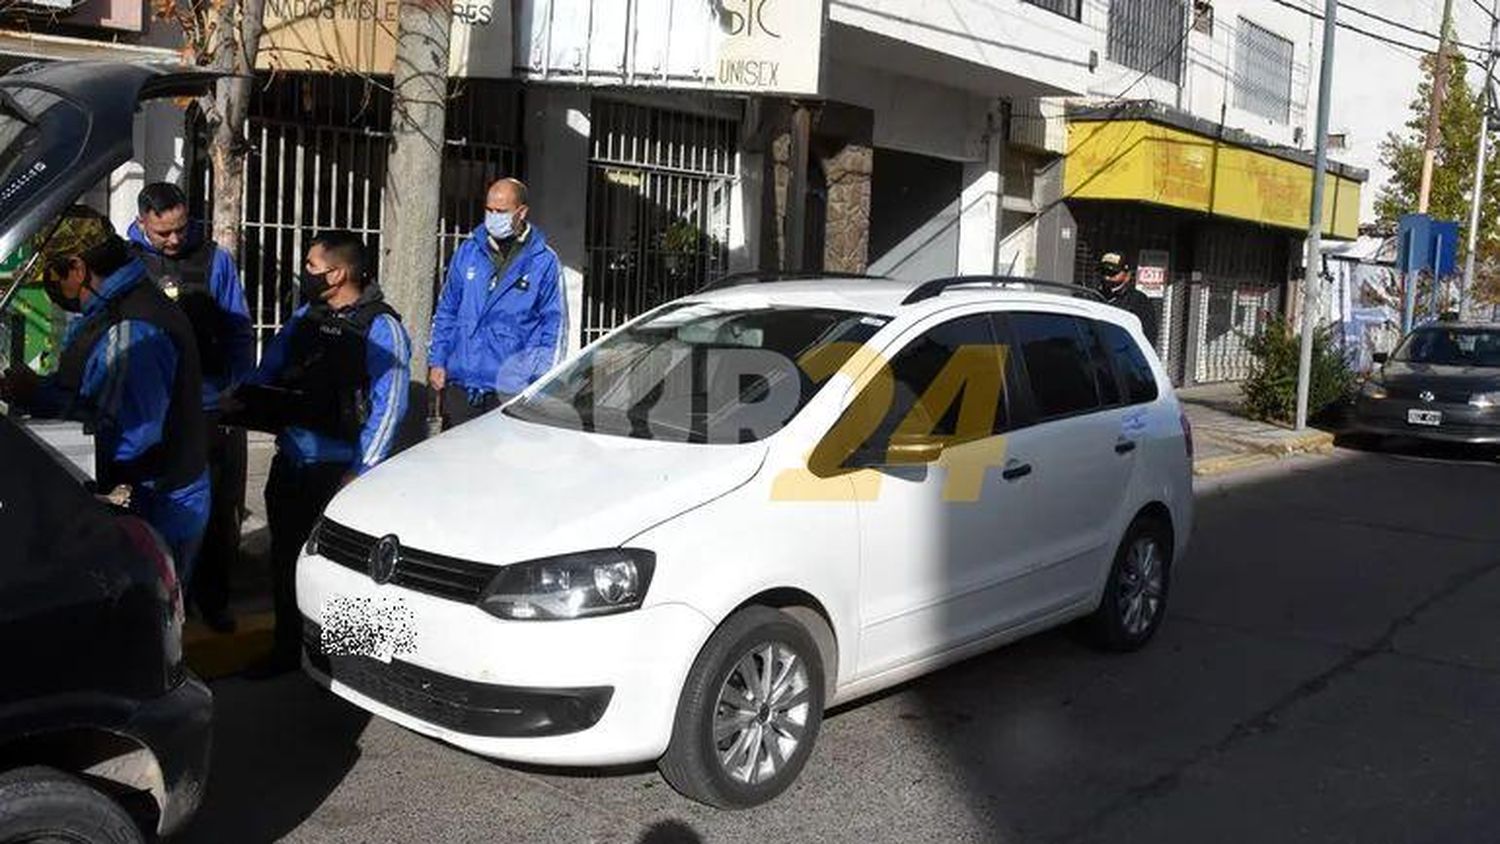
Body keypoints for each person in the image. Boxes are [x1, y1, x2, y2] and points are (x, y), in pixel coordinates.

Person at [230, 230, 410, 676]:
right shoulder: (306, 317)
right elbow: (268, 371)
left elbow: (391, 403)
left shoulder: (380, 327)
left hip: (339, 473)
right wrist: (242, 401)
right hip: (292, 462)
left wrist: (361, 469)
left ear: (338, 272)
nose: (304, 273)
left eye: (311, 265)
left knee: (346, 572)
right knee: (287, 561)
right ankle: (288, 651)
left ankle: (352, 666)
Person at [0, 206, 210, 574]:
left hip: (159, 501)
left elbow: (128, 437)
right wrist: (38, 392)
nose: (50, 285)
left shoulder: (133, 329)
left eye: (52, 273)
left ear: (78, 269)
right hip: (155, 491)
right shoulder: (110, 310)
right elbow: (95, 390)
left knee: (147, 619)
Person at [129, 182, 253, 634]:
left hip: (207, 404)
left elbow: (238, 328)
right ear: (143, 222)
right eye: (163, 233)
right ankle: (155, 603)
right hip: (148, 409)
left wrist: (236, 386)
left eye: (181, 229)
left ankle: (213, 601)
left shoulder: (215, 260)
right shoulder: (127, 263)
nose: (175, 240)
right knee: (150, 509)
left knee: (217, 510)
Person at [428, 177, 567, 429]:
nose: (493, 217)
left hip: (511, 387)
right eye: (489, 210)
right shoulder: (468, 251)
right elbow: (447, 309)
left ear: (521, 212)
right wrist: (438, 360)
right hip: (463, 381)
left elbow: (554, 325)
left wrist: (540, 380)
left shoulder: (543, 261)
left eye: (501, 211)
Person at [1098, 252, 1160, 349]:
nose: (1107, 277)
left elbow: (1148, 337)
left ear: (1127, 276)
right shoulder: (1091, 295)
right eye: (1104, 272)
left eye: (1112, 273)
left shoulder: (1138, 301)